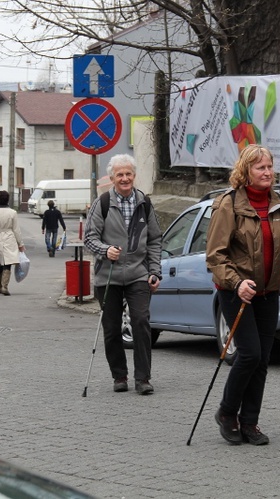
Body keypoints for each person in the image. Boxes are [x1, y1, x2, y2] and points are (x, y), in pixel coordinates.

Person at [206, 144, 280, 445]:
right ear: (246, 172)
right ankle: (227, 412)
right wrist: (236, 282)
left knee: (263, 359)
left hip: (268, 291)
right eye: (260, 168)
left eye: (269, 167)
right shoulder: (227, 205)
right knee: (250, 353)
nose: (267, 172)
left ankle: (250, 422)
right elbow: (215, 256)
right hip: (236, 292)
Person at [84, 154, 162, 395]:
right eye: (120, 174)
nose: (125, 178)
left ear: (134, 176)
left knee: (140, 322)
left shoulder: (144, 203)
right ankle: (119, 375)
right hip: (109, 276)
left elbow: (154, 239)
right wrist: (106, 250)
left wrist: (154, 271)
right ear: (112, 178)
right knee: (111, 328)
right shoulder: (103, 203)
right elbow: (89, 238)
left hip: (138, 273)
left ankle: (143, 378)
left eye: (129, 174)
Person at [0, 190, 26, 296]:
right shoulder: (13, 213)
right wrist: (20, 244)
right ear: (8, 200)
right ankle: (5, 286)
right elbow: (16, 230)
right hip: (9, 237)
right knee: (8, 262)